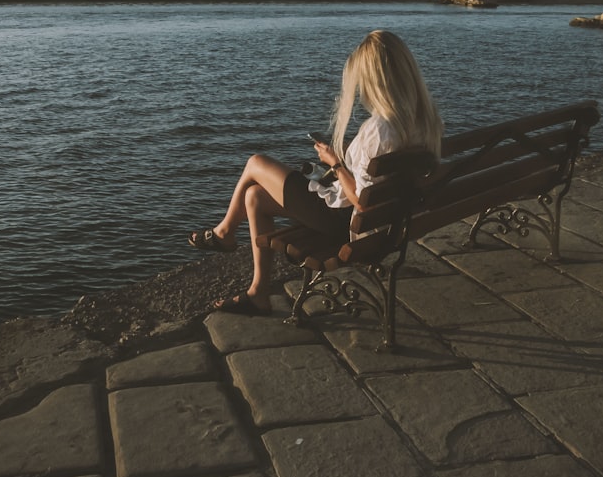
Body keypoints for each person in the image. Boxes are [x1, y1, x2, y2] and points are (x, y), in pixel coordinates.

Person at [187, 30, 442, 316]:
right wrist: (348, 156)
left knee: (256, 162)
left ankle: (224, 232)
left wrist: (334, 163)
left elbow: (362, 200)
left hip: (342, 220)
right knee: (255, 197)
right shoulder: (423, 117)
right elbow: (377, 174)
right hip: (389, 222)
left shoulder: (379, 128)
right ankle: (258, 293)